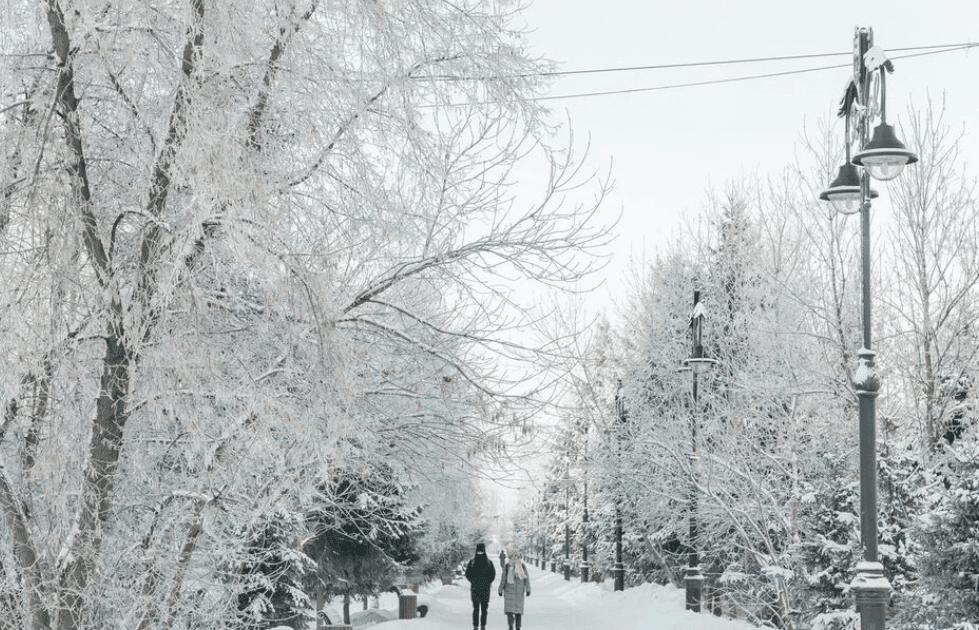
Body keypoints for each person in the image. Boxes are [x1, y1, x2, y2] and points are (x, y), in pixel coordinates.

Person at [498, 545, 531, 630]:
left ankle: (517, 627)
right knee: (510, 611)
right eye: (513, 556)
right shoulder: (507, 566)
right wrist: (500, 589)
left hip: (518, 592)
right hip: (510, 591)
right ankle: (511, 626)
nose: (514, 558)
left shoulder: (522, 566)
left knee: (518, 612)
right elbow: (503, 579)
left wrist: (528, 589)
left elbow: (526, 579)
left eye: (516, 556)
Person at [465, 542, 496, 630]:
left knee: (484, 609)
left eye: (481, 552)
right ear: (476, 552)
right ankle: (475, 626)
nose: (480, 554)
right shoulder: (472, 562)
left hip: (485, 589)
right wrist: (473, 581)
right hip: (475, 589)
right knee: (475, 609)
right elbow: (467, 574)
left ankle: (483, 625)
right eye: (478, 552)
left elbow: (493, 574)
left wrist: (487, 582)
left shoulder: (489, 563)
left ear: (484, 551)